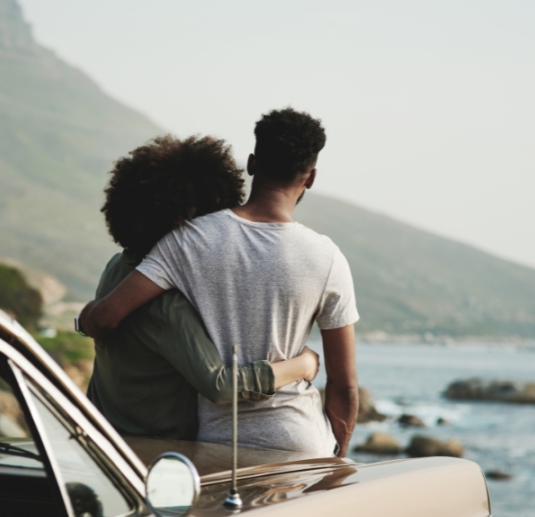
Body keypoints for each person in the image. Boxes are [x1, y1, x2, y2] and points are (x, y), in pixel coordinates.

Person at [80, 109, 360, 457]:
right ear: (311, 177)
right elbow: (344, 386)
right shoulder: (328, 257)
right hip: (299, 445)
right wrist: (338, 456)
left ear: (252, 163)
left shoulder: (184, 241)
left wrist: (82, 320)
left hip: (211, 448)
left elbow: (104, 317)